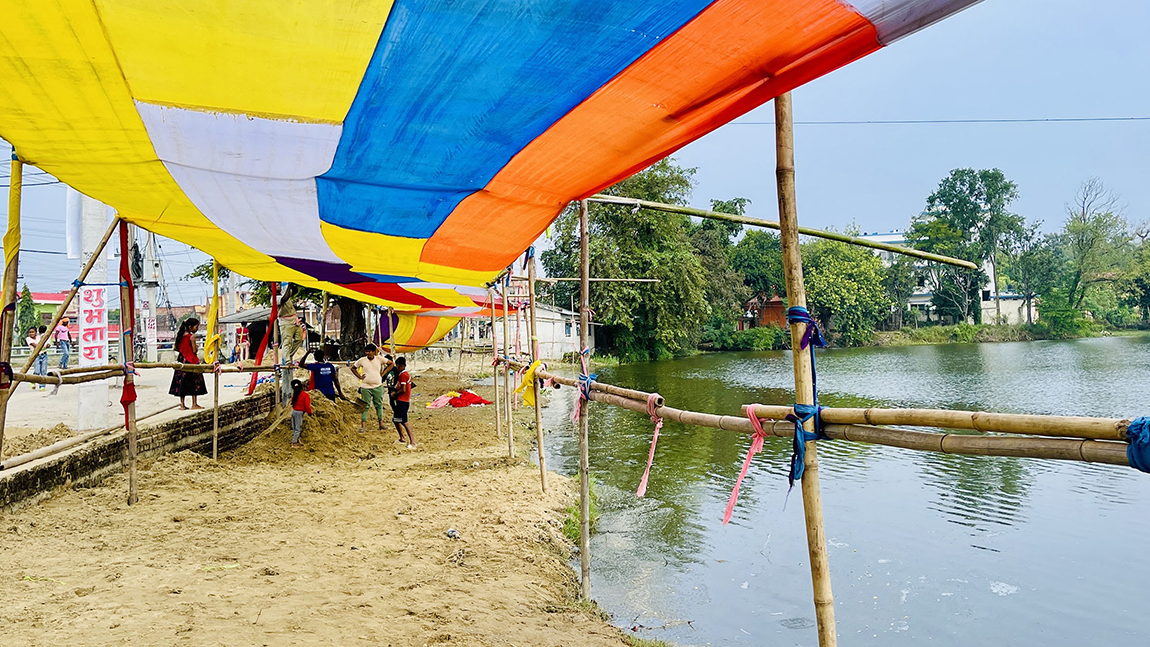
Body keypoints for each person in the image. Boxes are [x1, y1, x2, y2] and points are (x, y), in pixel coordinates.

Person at [350, 343, 393, 433]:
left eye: (369, 351)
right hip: (365, 386)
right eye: (366, 352)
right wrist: (359, 376)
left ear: (374, 352)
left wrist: (383, 373)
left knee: (379, 405)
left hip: (377, 386)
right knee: (365, 406)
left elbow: (391, 364)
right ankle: (363, 425)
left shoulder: (379, 359)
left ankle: (381, 423)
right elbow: (353, 368)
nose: (367, 353)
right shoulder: (362, 360)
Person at [169, 317, 207, 410]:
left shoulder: (180, 336)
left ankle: (182, 404)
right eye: (196, 327)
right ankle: (194, 403)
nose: (197, 329)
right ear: (190, 327)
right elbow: (194, 350)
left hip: (182, 359)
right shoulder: (191, 337)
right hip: (191, 360)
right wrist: (196, 347)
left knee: (182, 381)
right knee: (194, 381)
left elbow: (176, 348)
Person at [390, 356, 416, 449]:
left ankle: (412, 441)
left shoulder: (402, 375)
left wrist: (395, 394)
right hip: (403, 400)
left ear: (400, 366)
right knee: (396, 420)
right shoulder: (406, 375)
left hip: (402, 400)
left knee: (404, 422)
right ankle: (402, 437)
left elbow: (404, 389)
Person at [289, 379, 312, 448]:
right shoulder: (305, 395)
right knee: (298, 428)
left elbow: (292, 403)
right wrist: (310, 413)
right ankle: (294, 443)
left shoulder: (295, 395)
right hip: (299, 412)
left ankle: (297, 440)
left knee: (294, 427)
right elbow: (307, 405)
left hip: (294, 411)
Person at [25, 326, 48, 391]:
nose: (31, 334)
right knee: (37, 370)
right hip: (36, 355)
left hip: (44, 355)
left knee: (43, 371)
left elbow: (44, 343)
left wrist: (46, 346)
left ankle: (42, 386)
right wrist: (44, 346)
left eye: (33, 332)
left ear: (36, 332)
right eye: (30, 332)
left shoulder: (39, 337)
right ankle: (33, 381)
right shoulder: (28, 339)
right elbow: (36, 346)